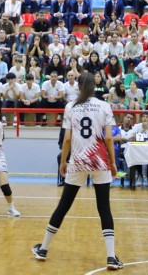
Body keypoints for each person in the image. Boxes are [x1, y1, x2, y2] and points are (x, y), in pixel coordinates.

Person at [31, 73, 123, 270]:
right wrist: (113, 162)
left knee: (63, 206)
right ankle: (111, 257)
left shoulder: (70, 106)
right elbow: (108, 138)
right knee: (104, 209)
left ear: (80, 87)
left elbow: (66, 139)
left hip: (78, 161)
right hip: (99, 161)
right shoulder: (104, 106)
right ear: (94, 87)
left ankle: (44, 248)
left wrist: (63, 162)